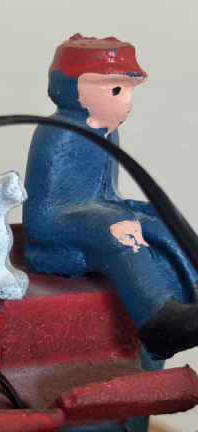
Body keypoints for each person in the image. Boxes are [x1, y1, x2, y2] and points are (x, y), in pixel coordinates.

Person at [24, 34, 198, 374]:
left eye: (129, 91)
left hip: (96, 214)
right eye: (116, 90)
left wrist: (138, 213)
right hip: (56, 232)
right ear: (71, 90)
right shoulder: (58, 133)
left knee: (159, 217)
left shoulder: (106, 130)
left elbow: (106, 194)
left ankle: (190, 291)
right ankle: (158, 322)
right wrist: (114, 216)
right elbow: (48, 210)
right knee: (120, 229)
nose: (127, 103)